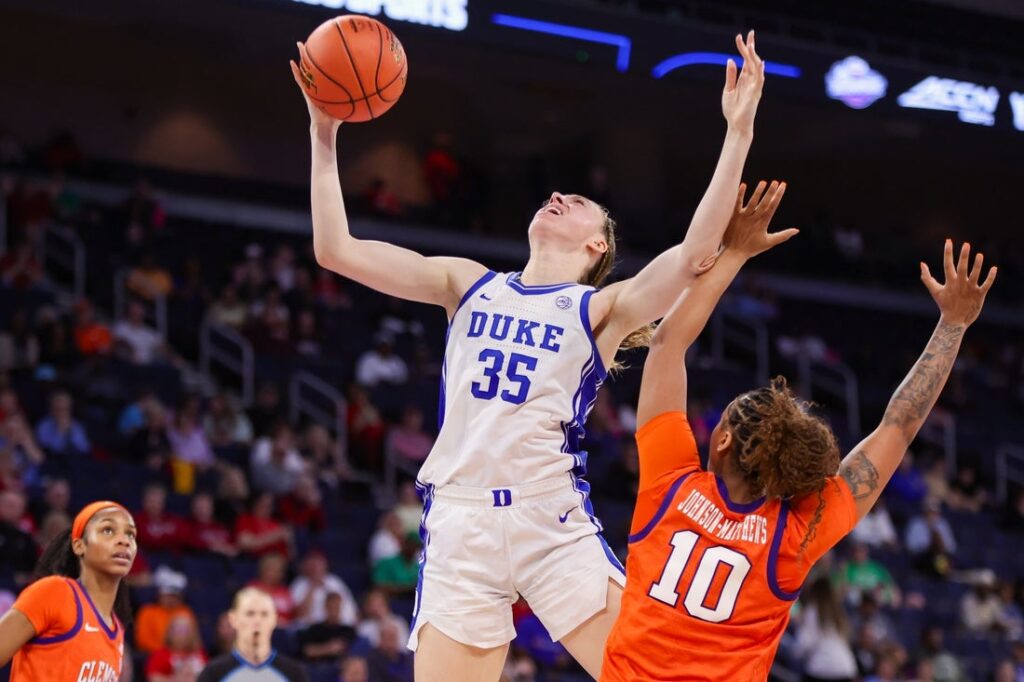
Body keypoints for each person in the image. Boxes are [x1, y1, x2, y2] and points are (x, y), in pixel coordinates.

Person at [293, 30, 767, 679]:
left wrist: (737, 134)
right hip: (460, 522)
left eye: (578, 205)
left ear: (597, 247)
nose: (558, 197)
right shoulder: (466, 281)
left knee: (651, 676)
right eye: (556, 196)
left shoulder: (599, 310)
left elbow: (690, 259)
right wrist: (325, 131)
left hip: (549, 518)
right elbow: (336, 251)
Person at [601, 225, 996, 680]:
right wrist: (953, 325)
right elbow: (899, 427)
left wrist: (735, 254)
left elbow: (668, 344)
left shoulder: (671, 486)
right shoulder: (795, 533)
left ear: (724, 439)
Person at [0, 500, 135, 680]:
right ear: (79, 546)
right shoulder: (56, 592)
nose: (124, 540)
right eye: (108, 530)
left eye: (130, 534)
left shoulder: (117, 630)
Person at [197, 587, 308, 681]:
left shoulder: (294, 673)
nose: (257, 621)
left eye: (264, 614)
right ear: (233, 619)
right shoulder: (214, 672)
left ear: (275, 619)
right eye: (250, 614)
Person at [794, 577, 858, 682]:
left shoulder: (812, 611)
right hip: (846, 668)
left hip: (821, 669)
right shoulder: (838, 612)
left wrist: (793, 653)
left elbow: (804, 643)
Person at [145, 613, 208, 682]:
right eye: (177, 630)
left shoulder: (200, 653)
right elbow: (153, 678)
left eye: (185, 630)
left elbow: (209, 676)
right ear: (169, 632)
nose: (181, 634)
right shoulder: (160, 655)